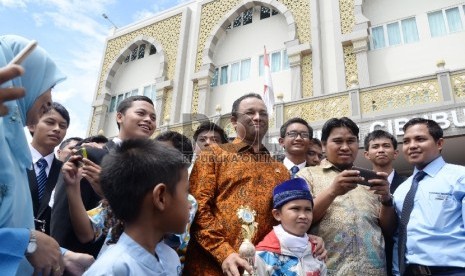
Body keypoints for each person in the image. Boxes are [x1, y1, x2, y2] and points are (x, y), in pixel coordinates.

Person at [184, 93, 326, 276]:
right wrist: (224, 252)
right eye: (250, 113)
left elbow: (285, 217)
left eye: (263, 113)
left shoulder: (280, 170)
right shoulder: (213, 155)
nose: (258, 117)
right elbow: (198, 210)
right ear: (234, 122)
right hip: (211, 266)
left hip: (261, 268)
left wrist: (306, 239)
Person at [0, 35, 94, 276]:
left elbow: (14, 226)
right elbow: (23, 238)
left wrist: (61, 254)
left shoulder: (11, 151)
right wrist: (27, 242)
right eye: (46, 86)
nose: (50, 98)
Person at [51, 95, 156, 257]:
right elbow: (62, 217)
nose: (148, 120)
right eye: (141, 113)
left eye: (153, 117)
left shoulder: (151, 170)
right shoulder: (90, 155)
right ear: (119, 117)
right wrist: (62, 258)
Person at [297, 117, 395, 275]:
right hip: (326, 270)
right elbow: (298, 220)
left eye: (351, 141)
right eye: (337, 141)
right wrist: (332, 191)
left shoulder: (369, 179)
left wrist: (386, 199)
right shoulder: (306, 176)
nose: (345, 147)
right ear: (323, 145)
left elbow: (388, 230)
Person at [84, 139, 191, 275]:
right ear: (160, 197)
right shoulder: (112, 269)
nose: (189, 205)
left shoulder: (171, 259)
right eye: (186, 193)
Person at [393, 118, 465, 276]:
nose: (412, 146)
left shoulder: (460, 178)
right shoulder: (401, 190)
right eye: (406, 141)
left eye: (420, 139)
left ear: (439, 144)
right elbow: (399, 236)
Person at [255, 178, 327, 275]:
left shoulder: (317, 252)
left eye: (308, 210)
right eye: (295, 209)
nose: (303, 216)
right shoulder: (263, 256)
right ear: (277, 214)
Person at [364, 129, 407, 276]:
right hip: (368, 261)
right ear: (366, 154)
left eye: (386, 146)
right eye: (375, 146)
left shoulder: (409, 186)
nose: (381, 150)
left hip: (402, 260)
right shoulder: (357, 187)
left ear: (395, 153)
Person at [27, 102, 69, 235]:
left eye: (63, 126)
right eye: (50, 122)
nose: (57, 129)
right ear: (32, 125)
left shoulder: (66, 172)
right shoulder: (12, 161)